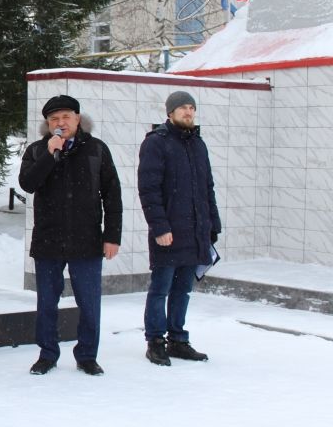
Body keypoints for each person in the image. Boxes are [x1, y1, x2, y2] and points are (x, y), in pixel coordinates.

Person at [18, 94, 121, 376]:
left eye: (65, 117)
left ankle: (87, 355)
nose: (60, 123)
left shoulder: (96, 149)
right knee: (46, 304)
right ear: (48, 124)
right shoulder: (39, 150)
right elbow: (27, 183)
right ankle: (47, 354)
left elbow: (112, 195)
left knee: (89, 303)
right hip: (48, 240)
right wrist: (51, 154)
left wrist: (112, 235)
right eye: (54, 119)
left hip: (86, 240)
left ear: (77, 118)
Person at [138, 91, 220, 366]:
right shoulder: (156, 143)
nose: (188, 112)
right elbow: (149, 190)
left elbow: (207, 188)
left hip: (195, 232)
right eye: (183, 107)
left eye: (191, 107)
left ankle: (178, 339)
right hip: (169, 232)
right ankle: (155, 341)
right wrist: (159, 227)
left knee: (183, 289)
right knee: (160, 289)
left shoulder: (198, 144)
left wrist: (212, 225)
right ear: (170, 112)